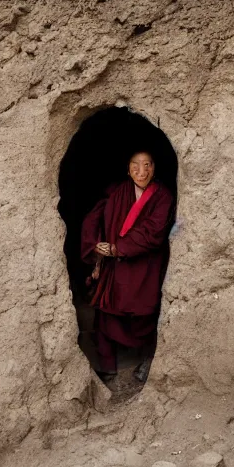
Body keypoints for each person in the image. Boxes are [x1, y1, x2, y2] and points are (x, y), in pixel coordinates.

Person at [81, 150, 175, 383]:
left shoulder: (162, 196)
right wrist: (96, 246)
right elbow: (93, 219)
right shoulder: (116, 192)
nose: (141, 172)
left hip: (145, 266)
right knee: (105, 315)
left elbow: (153, 231)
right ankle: (108, 366)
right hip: (114, 266)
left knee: (144, 315)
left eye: (147, 165)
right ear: (127, 168)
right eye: (135, 165)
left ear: (154, 168)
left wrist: (119, 248)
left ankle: (148, 359)